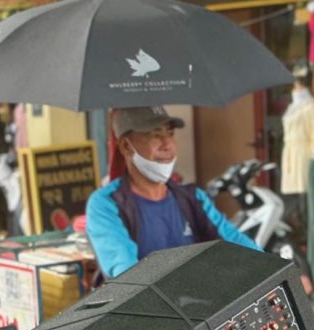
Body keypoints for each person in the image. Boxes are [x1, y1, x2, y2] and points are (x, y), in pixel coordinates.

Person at [86, 106, 262, 279]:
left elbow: (237, 244)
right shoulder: (106, 204)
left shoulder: (193, 198)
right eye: (155, 135)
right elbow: (126, 276)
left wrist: (269, 270)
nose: (168, 144)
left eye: (169, 133)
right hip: (145, 305)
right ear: (126, 146)